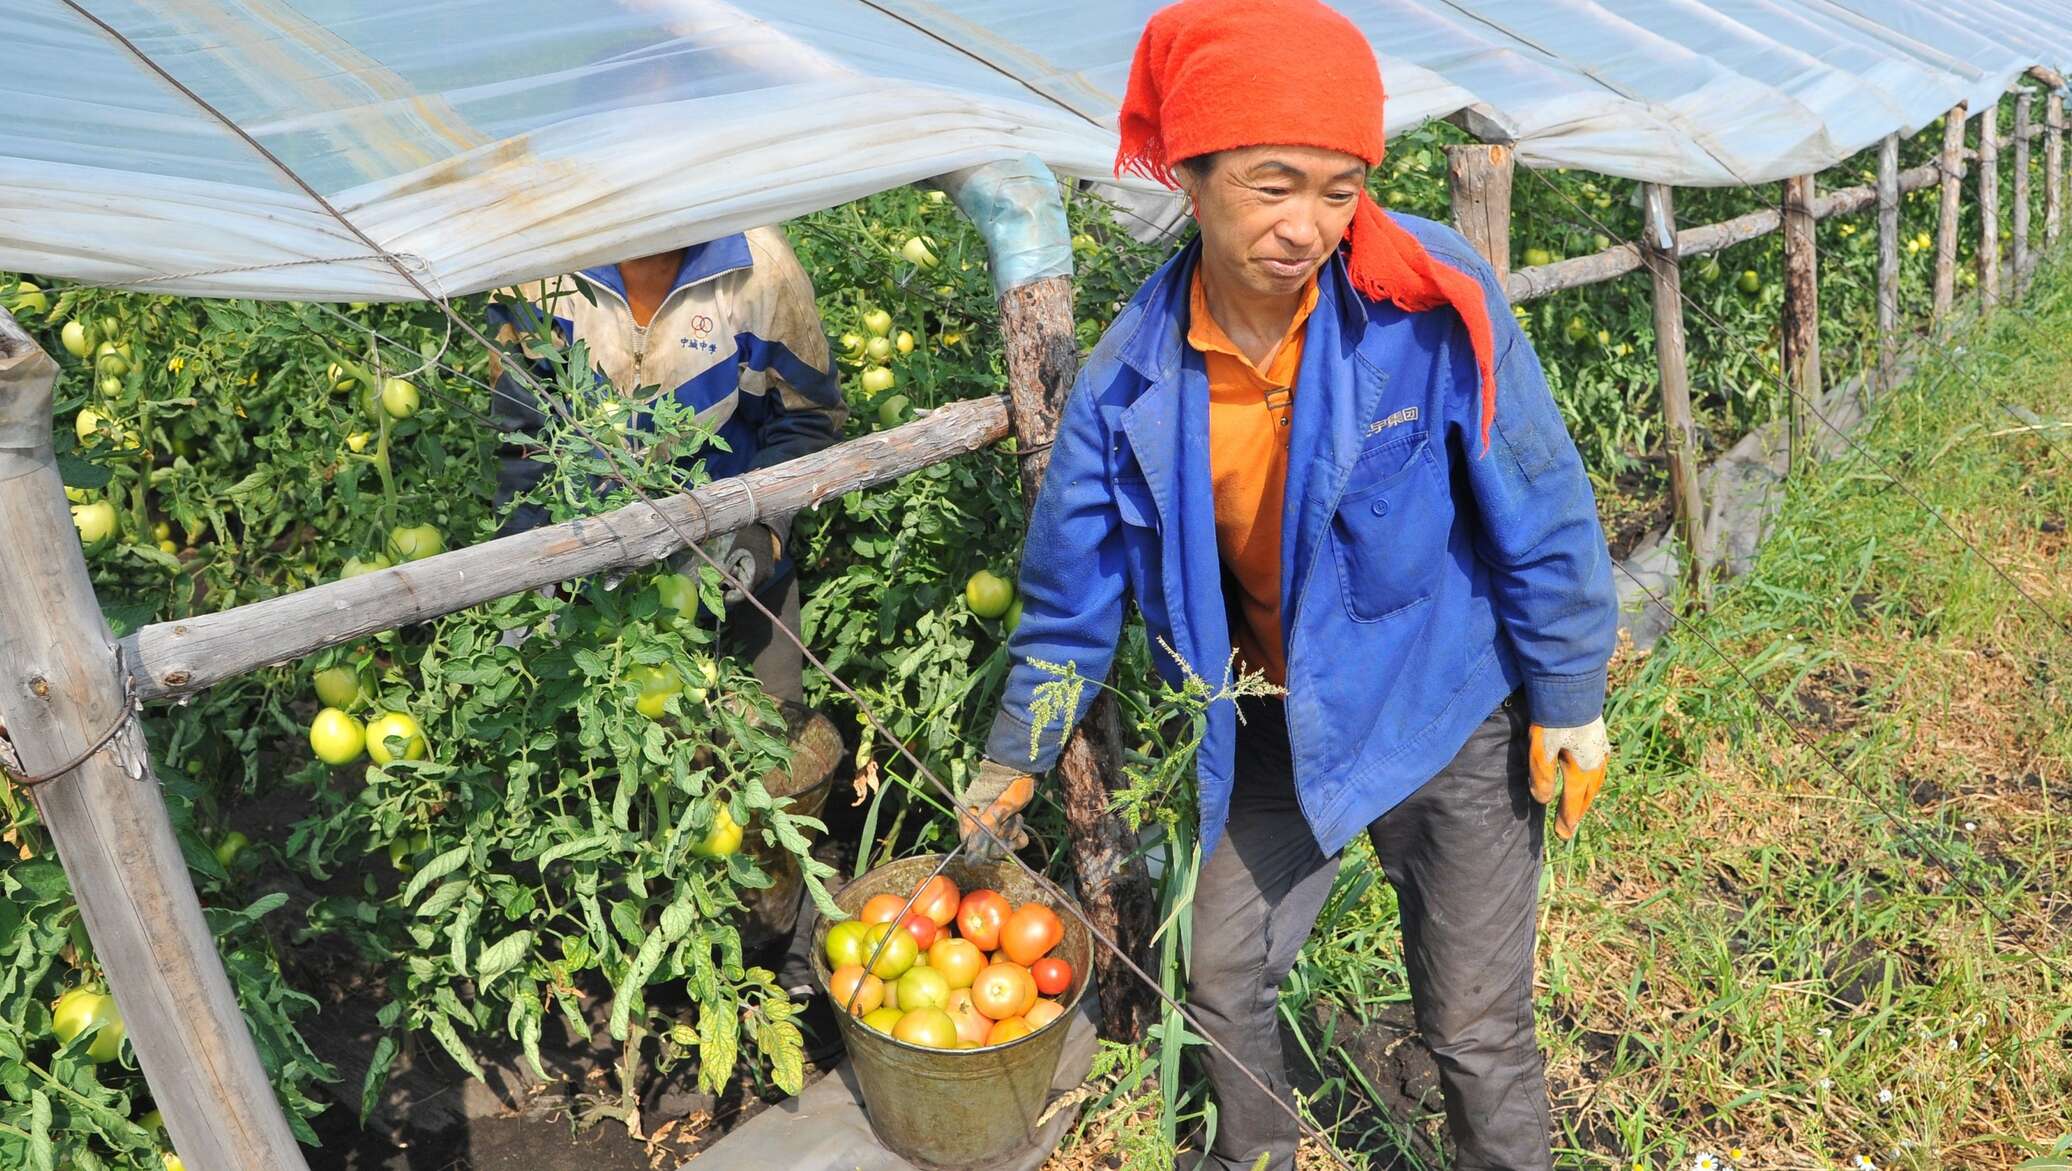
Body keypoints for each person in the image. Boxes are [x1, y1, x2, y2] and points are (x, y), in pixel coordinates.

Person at [955, 2, 1619, 1168]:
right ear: (1191, 175)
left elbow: (1539, 495)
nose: (1304, 226)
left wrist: (1565, 693)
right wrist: (1011, 755)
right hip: (1270, 724)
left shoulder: (1424, 300)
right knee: (1219, 975)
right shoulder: (1131, 379)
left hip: (1438, 704)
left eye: (1336, 189)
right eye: (1271, 185)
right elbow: (1070, 599)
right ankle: (1250, 1154)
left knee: (1472, 1024)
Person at [485, 227, 845, 992]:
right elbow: (518, 441)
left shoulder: (759, 267)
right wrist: (534, 568)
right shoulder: (540, 274)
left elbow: (808, 415)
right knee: (624, 778)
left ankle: (769, 957)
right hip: (602, 606)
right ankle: (654, 971)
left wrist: (761, 529)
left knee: (766, 770)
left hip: (742, 572)